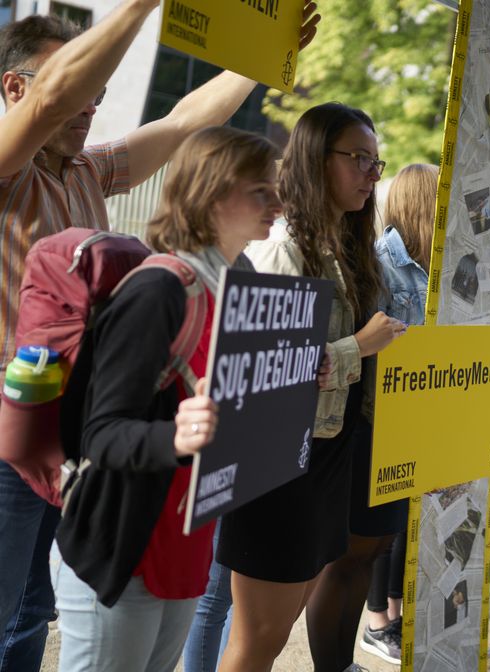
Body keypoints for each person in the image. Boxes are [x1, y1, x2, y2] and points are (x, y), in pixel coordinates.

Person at [0, 3, 319, 668]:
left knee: (34, 609)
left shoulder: (88, 169)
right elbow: (55, 96)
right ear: (15, 88)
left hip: (73, 431)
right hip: (11, 430)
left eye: (99, 95)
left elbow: (182, 123)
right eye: (81, 87)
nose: (90, 105)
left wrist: (257, 61)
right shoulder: (8, 164)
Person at [50, 126, 281, 672]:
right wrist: (176, 437)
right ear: (213, 191)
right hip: (124, 549)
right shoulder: (157, 290)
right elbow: (99, 432)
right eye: (262, 190)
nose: (278, 202)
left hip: (184, 547)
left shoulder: (239, 281)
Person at [224, 102, 405, 672]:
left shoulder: (344, 254)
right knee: (257, 640)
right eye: (359, 159)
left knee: (274, 638)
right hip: (278, 469)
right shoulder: (283, 251)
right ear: (314, 159)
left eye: (377, 164)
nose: (372, 176)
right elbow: (262, 374)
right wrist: (361, 347)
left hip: (324, 458)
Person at [358, 163, 437, 666]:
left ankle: (395, 612)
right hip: (385, 412)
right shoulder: (384, 262)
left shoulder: (435, 264)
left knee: (406, 523)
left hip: (421, 411)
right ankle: (376, 623)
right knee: (381, 529)